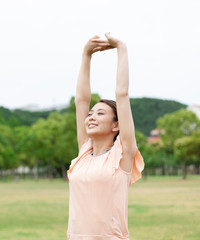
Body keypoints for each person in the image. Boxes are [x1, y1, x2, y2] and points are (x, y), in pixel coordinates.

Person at [66, 33, 145, 240]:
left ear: (116, 125)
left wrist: (121, 48)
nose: (91, 117)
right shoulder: (84, 150)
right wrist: (86, 54)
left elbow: (122, 94)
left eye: (100, 113)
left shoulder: (122, 154)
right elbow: (81, 101)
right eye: (90, 114)